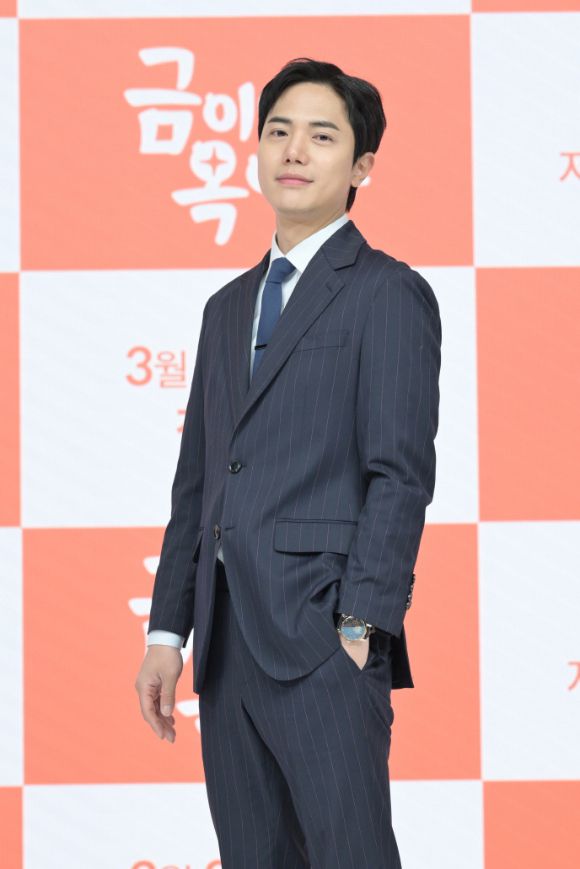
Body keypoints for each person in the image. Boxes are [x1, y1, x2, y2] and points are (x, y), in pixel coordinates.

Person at [135, 56, 442, 868]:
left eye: (322, 136)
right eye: (278, 131)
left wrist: (360, 626)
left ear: (362, 166)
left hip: (322, 638)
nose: (294, 151)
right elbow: (198, 485)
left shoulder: (387, 292)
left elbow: (400, 476)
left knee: (350, 854)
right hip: (226, 647)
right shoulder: (226, 308)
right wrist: (168, 631)